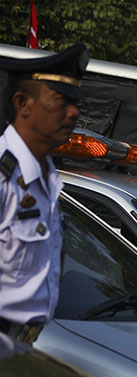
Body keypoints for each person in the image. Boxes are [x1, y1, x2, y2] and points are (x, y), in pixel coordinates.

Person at [0, 44, 88, 344]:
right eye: (61, 101)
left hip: (24, 349)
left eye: (75, 102)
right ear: (23, 103)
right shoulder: (3, 177)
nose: (74, 112)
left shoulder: (47, 177)